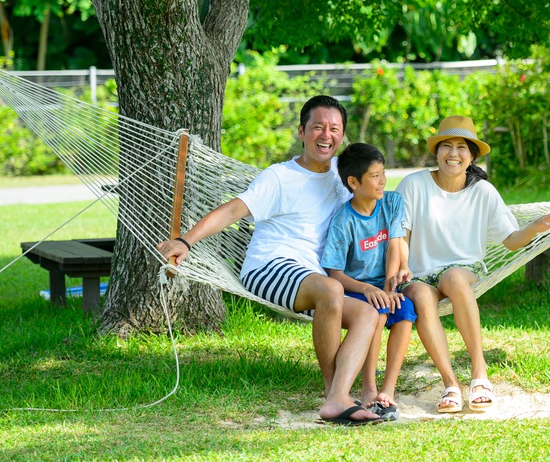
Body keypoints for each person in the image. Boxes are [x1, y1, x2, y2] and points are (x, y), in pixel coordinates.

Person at [156, 95, 383, 426]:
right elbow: (233, 209)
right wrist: (185, 240)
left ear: (342, 135)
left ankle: (344, 392)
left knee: (368, 313)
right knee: (331, 290)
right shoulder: (279, 177)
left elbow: (374, 207)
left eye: (334, 128)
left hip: (313, 277)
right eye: (318, 127)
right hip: (268, 267)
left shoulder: (343, 176)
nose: (326, 135)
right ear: (301, 131)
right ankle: (333, 396)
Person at [396, 116, 550, 414]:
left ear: (472, 155)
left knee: (452, 277)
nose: (453, 153)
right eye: (446, 146)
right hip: (419, 274)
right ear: (436, 152)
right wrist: (400, 266)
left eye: (461, 147)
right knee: (422, 296)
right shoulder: (414, 185)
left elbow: (512, 241)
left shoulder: (483, 192)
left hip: (463, 272)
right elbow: (401, 234)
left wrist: (535, 227)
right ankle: (450, 384)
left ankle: (479, 373)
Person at [321, 142, 416, 422]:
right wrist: (368, 289)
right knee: (378, 311)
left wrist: (390, 283)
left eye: (383, 172)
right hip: (356, 288)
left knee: (405, 310)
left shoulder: (392, 202)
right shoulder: (343, 221)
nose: (383, 180)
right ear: (354, 182)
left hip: (384, 282)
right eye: (375, 175)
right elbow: (334, 273)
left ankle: (388, 389)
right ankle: (368, 389)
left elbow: (394, 244)